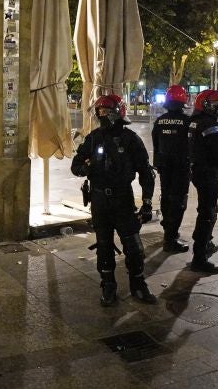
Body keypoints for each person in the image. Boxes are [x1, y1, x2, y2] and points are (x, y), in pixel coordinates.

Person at [71, 94, 158, 306]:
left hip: (123, 199)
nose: (103, 115)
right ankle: (108, 286)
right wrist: (86, 168)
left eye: (107, 111)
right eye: (99, 111)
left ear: (117, 112)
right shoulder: (92, 138)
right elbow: (75, 166)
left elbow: (146, 173)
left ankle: (138, 284)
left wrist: (147, 203)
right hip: (99, 200)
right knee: (104, 245)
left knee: (134, 246)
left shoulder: (130, 139)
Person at [187, 89, 218, 274]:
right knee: (209, 213)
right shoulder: (209, 125)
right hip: (207, 174)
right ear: (207, 105)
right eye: (217, 105)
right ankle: (199, 257)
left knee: (205, 210)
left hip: (197, 172)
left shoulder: (193, 122)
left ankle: (204, 242)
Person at [152, 85, 192, 253]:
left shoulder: (159, 121)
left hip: (164, 167)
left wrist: (159, 163)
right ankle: (171, 238)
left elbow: (155, 145)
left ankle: (168, 230)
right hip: (181, 168)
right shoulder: (188, 122)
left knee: (166, 197)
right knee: (179, 200)